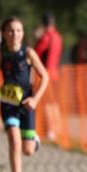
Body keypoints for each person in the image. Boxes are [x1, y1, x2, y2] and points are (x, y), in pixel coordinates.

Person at [0, 16, 50, 172]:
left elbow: (45, 76)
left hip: (27, 103)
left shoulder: (28, 53)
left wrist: (35, 99)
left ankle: (34, 141)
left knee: (27, 150)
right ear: (4, 34)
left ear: (23, 33)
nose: (15, 34)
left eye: (18, 30)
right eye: (10, 30)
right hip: (8, 103)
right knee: (14, 141)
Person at [34, 12, 64, 142]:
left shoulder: (45, 37)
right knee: (53, 103)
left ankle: (51, 131)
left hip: (45, 75)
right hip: (55, 73)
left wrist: (37, 38)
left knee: (46, 103)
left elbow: (35, 54)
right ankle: (56, 129)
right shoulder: (58, 37)